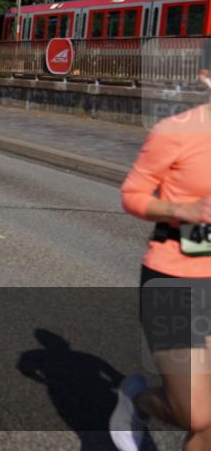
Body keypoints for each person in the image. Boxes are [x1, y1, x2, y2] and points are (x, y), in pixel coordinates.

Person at [111, 63, 210, 451]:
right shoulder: (175, 132)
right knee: (194, 414)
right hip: (173, 279)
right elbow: (132, 195)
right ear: (205, 76)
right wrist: (181, 211)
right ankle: (135, 401)